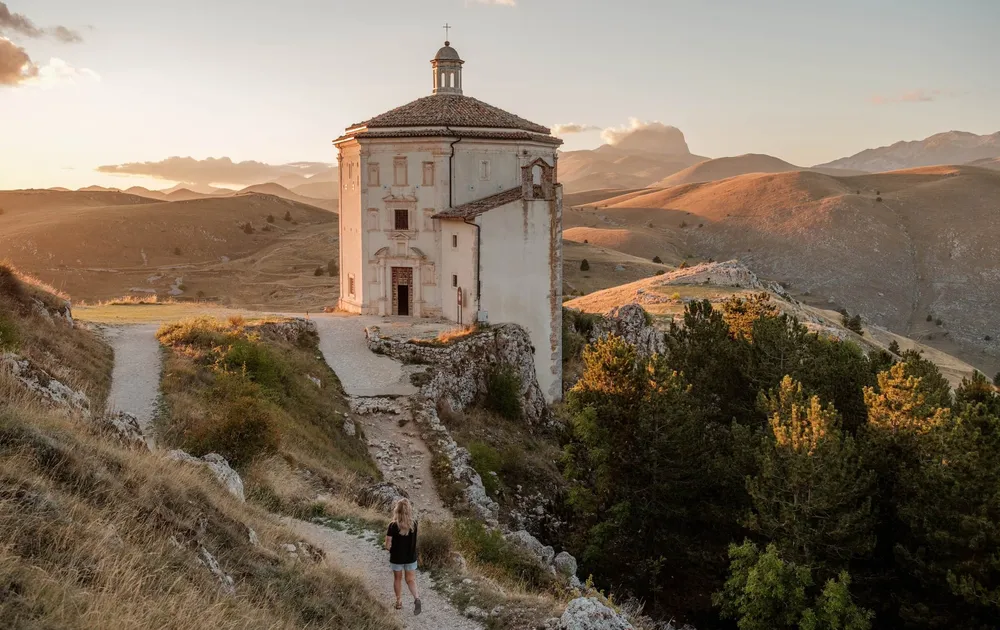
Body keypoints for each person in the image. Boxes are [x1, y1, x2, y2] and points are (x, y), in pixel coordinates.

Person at [385, 498, 421, 614]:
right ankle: (416, 598)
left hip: (397, 558)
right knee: (410, 579)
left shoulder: (392, 525)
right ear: (409, 510)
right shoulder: (414, 523)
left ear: (397, 510)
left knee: (397, 579)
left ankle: (399, 601)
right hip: (410, 557)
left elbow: (388, 544)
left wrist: (389, 548)